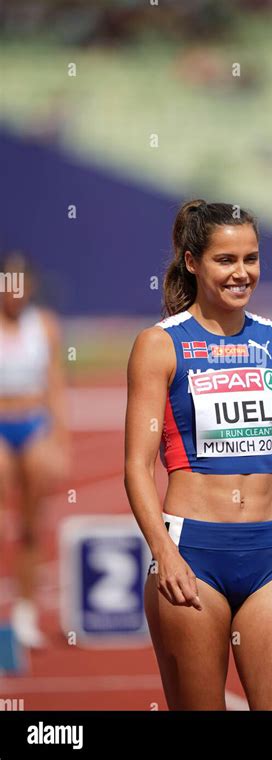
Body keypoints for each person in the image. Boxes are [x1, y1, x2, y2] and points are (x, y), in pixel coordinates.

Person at [124, 200, 272, 710]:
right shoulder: (160, 346)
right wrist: (164, 553)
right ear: (192, 262)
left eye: (250, 258)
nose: (241, 273)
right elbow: (137, 465)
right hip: (193, 557)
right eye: (225, 260)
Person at [0, 251, 70, 648]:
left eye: (20, 285)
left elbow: (55, 386)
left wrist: (60, 441)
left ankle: (25, 612)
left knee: (30, 522)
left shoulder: (43, 326)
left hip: (32, 422)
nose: (14, 294)